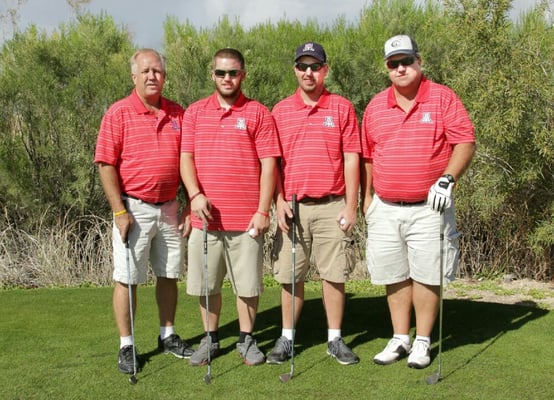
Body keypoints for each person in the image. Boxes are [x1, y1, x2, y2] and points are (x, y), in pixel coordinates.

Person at [361, 35, 476, 369]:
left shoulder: (443, 98)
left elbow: (465, 142)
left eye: (406, 61)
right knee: (394, 274)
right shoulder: (375, 105)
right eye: (394, 63)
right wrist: (367, 199)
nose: (401, 68)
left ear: (419, 61)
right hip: (385, 207)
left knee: (427, 274)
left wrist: (448, 179)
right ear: (387, 68)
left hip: (430, 207)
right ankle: (400, 338)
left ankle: (423, 341)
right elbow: (368, 155)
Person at [94, 48, 194, 375]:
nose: (153, 76)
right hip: (133, 207)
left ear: (165, 76)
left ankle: (167, 334)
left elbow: (189, 162)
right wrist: (119, 212)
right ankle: (127, 344)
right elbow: (106, 164)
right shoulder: (118, 113)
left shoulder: (178, 113)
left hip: (169, 208)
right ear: (134, 76)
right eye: (146, 71)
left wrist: (191, 205)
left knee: (168, 274)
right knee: (128, 278)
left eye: (158, 71)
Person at [180, 48, 280, 366]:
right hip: (205, 220)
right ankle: (210, 339)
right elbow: (186, 159)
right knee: (206, 285)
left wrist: (263, 210)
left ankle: (246, 339)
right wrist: (194, 194)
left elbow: (269, 165)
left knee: (247, 285)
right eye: (221, 73)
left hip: (246, 218)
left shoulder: (258, 113)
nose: (227, 78)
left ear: (243, 75)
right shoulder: (194, 113)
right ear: (212, 75)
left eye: (233, 73)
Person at [267, 42, 361, 366]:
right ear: (295, 69)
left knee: (334, 274)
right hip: (293, 207)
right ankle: (287, 338)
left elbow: (352, 159)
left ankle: (334, 339)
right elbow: (273, 162)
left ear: (325, 69)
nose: (309, 72)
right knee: (290, 275)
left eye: (315, 66)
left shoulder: (341, 108)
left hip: (331, 204)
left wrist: (352, 206)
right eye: (303, 66)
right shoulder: (279, 111)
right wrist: (277, 200)